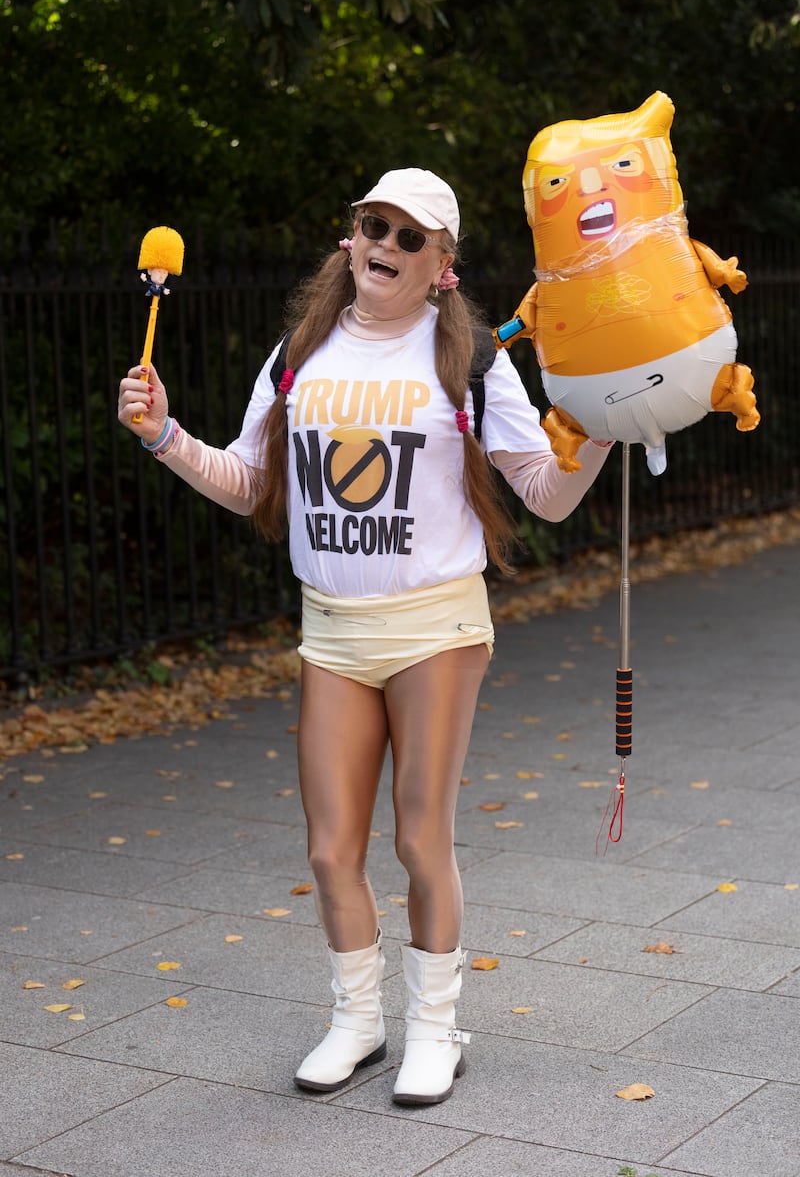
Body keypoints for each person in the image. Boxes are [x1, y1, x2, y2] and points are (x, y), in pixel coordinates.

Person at [118, 168, 612, 1106]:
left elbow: (545, 493)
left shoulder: (467, 361)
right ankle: (358, 1022)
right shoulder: (299, 352)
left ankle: (436, 1028)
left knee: (421, 839)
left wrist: (598, 430)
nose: (384, 243)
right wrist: (163, 434)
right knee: (328, 848)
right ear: (350, 238)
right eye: (370, 224)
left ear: (444, 268)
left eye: (409, 235)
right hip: (331, 629)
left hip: (438, 626)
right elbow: (249, 478)